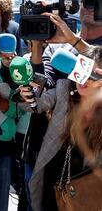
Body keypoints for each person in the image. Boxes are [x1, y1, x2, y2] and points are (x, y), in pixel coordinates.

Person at [19, 45, 102, 211]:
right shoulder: (64, 88)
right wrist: (28, 90)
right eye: (81, 68)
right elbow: (33, 104)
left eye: (91, 74)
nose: (83, 78)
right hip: (54, 185)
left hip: (92, 193)